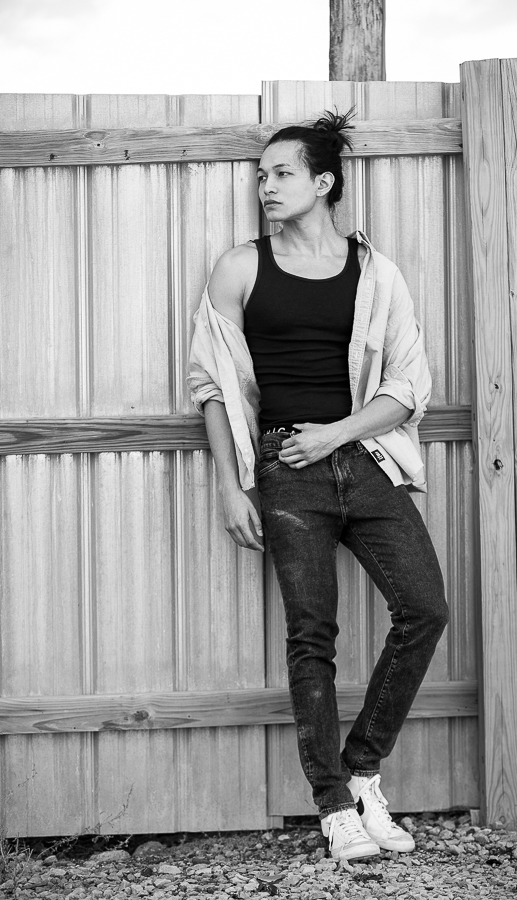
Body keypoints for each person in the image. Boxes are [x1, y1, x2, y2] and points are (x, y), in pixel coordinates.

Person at [187, 110, 449, 861]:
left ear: (324, 181)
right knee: (313, 636)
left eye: (282, 174)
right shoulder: (240, 268)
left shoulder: (377, 274)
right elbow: (211, 385)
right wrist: (231, 486)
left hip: (364, 460)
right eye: (261, 176)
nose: (266, 187)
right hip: (284, 467)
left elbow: (408, 388)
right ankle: (333, 805)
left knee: (425, 609)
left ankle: (363, 769)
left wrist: (336, 434)